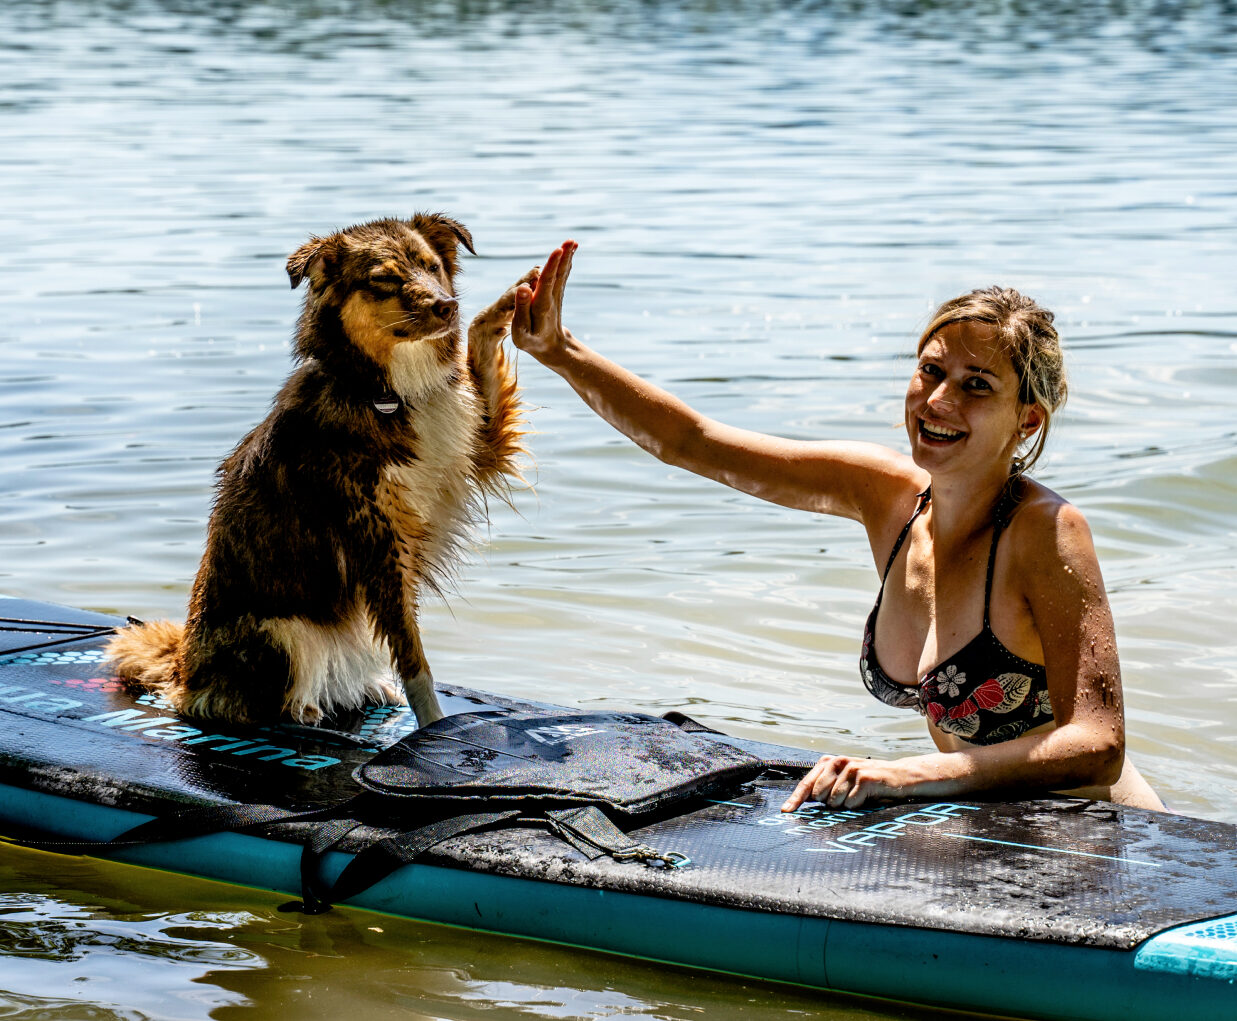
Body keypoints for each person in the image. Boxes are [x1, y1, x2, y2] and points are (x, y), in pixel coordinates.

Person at [510, 241, 1164, 813]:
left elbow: (1098, 744)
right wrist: (559, 351)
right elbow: (693, 440)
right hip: (995, 831)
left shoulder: (1045, 531)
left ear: (1026, 421)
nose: (937, 402)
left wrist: (905, 774)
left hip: (1116, 842)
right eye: (930, 371)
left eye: (975, 386)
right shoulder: (885, 495)